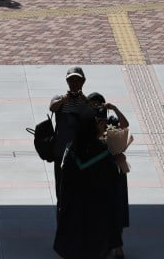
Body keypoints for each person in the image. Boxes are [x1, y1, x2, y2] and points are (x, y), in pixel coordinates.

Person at [52, 108, 124, 259]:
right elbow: (112, 184)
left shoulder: (71, 149)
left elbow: (64, 182)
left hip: (74, 212)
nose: (102, 124)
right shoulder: (103, 153)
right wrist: (117, 162)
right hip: (95, 216)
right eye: (97, 122)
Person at [89, 92, 131, 259]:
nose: (97, 110)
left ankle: (118, 246)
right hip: (98, 174)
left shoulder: (111, 122)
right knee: (101, 211)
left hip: (115, 174)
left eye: (99, 105)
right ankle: (104, 245)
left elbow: (125, 125)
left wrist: (114, 108)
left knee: (117, 209)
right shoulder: (88, 126)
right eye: (92, 106)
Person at [49, 66, 90, 199]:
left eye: (77, 80)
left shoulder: (86, 101)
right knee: (60, 184)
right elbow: (52, 107)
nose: (74, 84)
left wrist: (84, 102)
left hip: (80, 152)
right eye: (71, 80)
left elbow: (93, 116)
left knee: (80, 185)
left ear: (83, 82)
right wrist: (63, 100)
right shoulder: (60, 98)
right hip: (61, 150)